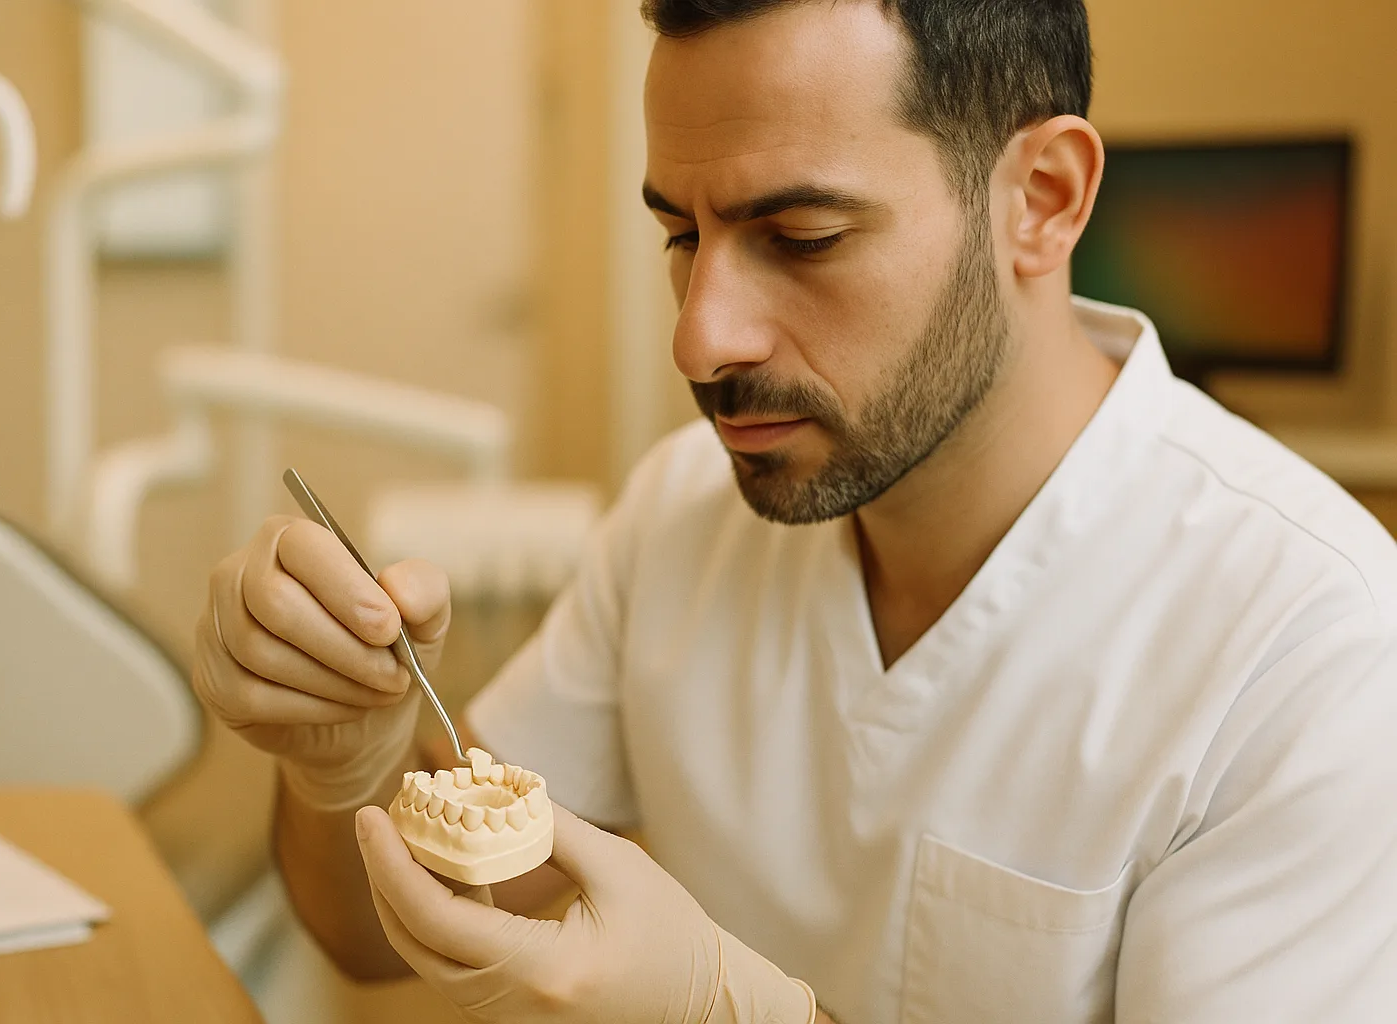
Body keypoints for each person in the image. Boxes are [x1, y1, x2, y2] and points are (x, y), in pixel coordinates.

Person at [192, 1, 1397, 1021]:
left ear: (1041, 196)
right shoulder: (678, 518)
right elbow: (367, 934)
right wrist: (343, 764)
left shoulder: (1310, 650)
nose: (700, 336)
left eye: (801, 236)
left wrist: (733, 1002)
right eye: (681, 232)